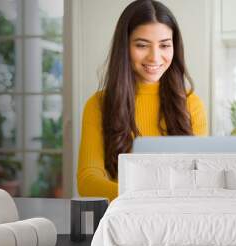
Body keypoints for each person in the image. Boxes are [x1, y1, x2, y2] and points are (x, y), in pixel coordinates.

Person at [77, 0, 208, 201]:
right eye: (142, 45)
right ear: (125, 46)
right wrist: (145, 198)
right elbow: (87, 180)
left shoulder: (192, 104)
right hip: (123, 219)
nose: (155, 57)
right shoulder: (98, 105)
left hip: (179, 219)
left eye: (164, 45)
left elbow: (199, 178)